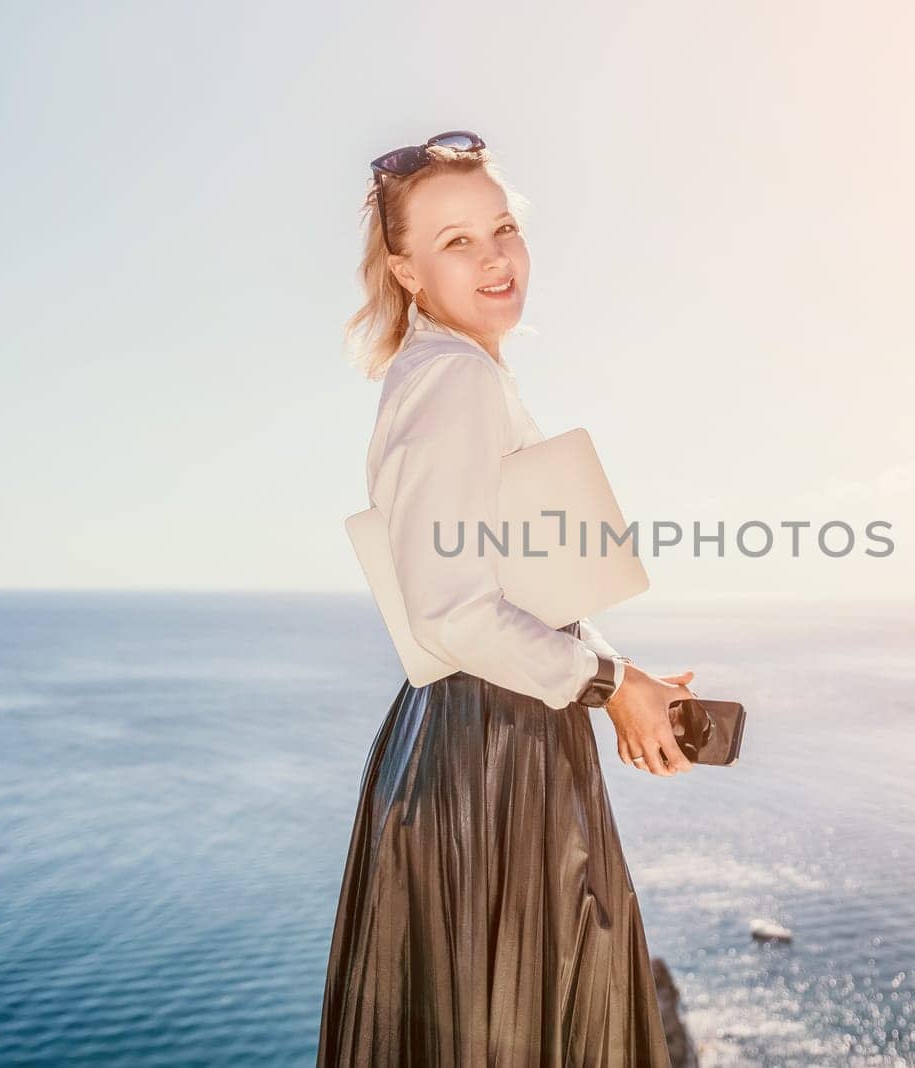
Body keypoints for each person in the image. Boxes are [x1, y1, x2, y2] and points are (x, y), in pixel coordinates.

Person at [316, 130, 695, 1067]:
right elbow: (451, 609)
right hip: (489, 761)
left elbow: (525, 585)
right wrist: (609, 685)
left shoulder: (452, 373)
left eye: (501, 227)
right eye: (454, 243)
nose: (493, 257)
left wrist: (627, 679)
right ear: (405, 270)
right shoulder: (455, 380)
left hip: (476, 744)